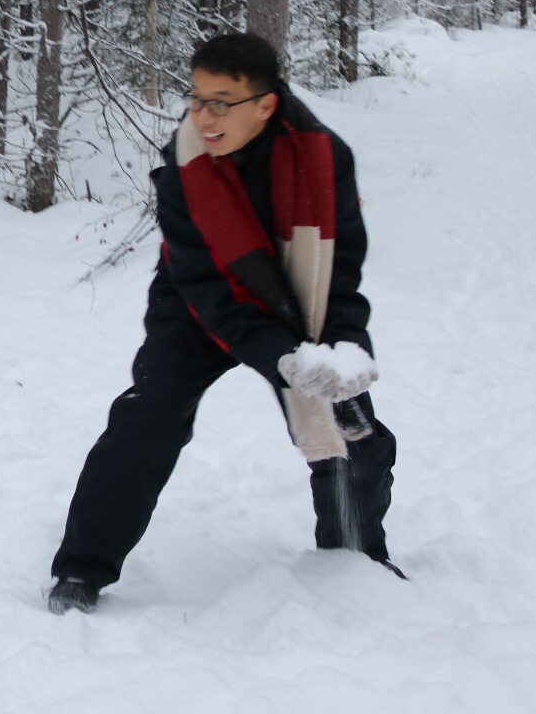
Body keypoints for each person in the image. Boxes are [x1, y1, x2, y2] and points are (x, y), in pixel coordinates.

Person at [46, 32, 398, 614]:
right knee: (148, 419)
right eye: (195, 98)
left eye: (221, 102)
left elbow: (342, 269)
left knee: (350, 424)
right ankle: (82, 569)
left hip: (301, 306)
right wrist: (283, 359)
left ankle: (356, 558)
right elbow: (207, 289)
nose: (203, 117)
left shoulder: (324, 157)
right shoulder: (185, 169)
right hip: (196, 306)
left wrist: (346, 350)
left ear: (265, 104)